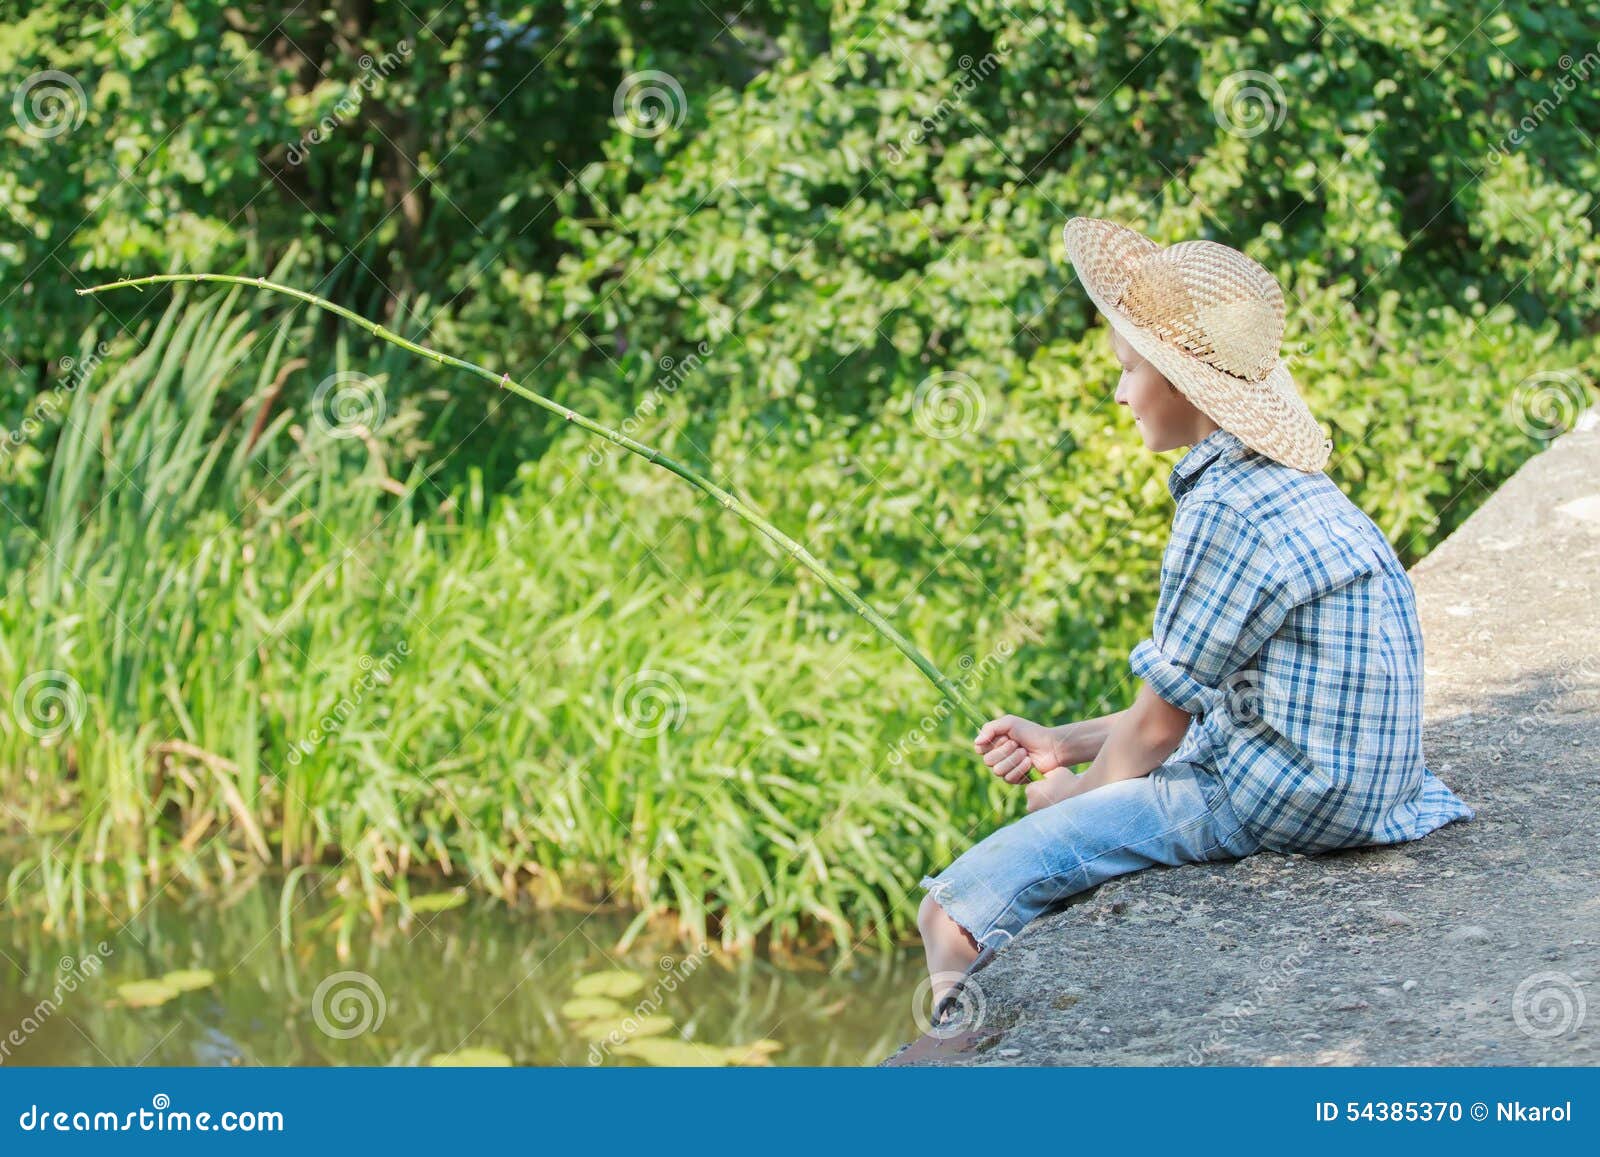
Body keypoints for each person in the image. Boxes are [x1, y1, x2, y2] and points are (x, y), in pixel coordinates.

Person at [916, 218, 1476, 1021]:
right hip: (1364, 787)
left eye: (1130, 369)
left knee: (950, 910)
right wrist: (1063, 742)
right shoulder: (1296, 488)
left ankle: (950, 1056)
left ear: (1181, 384)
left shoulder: (1223, 511)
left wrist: (1073, 798)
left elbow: (1155, 733)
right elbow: (1229, 696)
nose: (1119, 392)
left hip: (1282, 799)